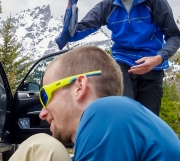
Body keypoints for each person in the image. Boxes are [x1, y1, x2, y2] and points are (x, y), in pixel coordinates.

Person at [9, 46, 180, 161]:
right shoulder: (121, 121)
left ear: (79, 87)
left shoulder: (106, 111)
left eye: (45, 96)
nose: (42, 113)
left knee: (41, 147)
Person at [55, 0, 180, 115]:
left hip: (153, 64)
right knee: (125, 113)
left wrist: (158, 58)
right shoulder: (107, 6)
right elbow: (72, 34)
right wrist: (71, 1)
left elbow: (174, 35)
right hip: (123, 63)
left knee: (148, 119)